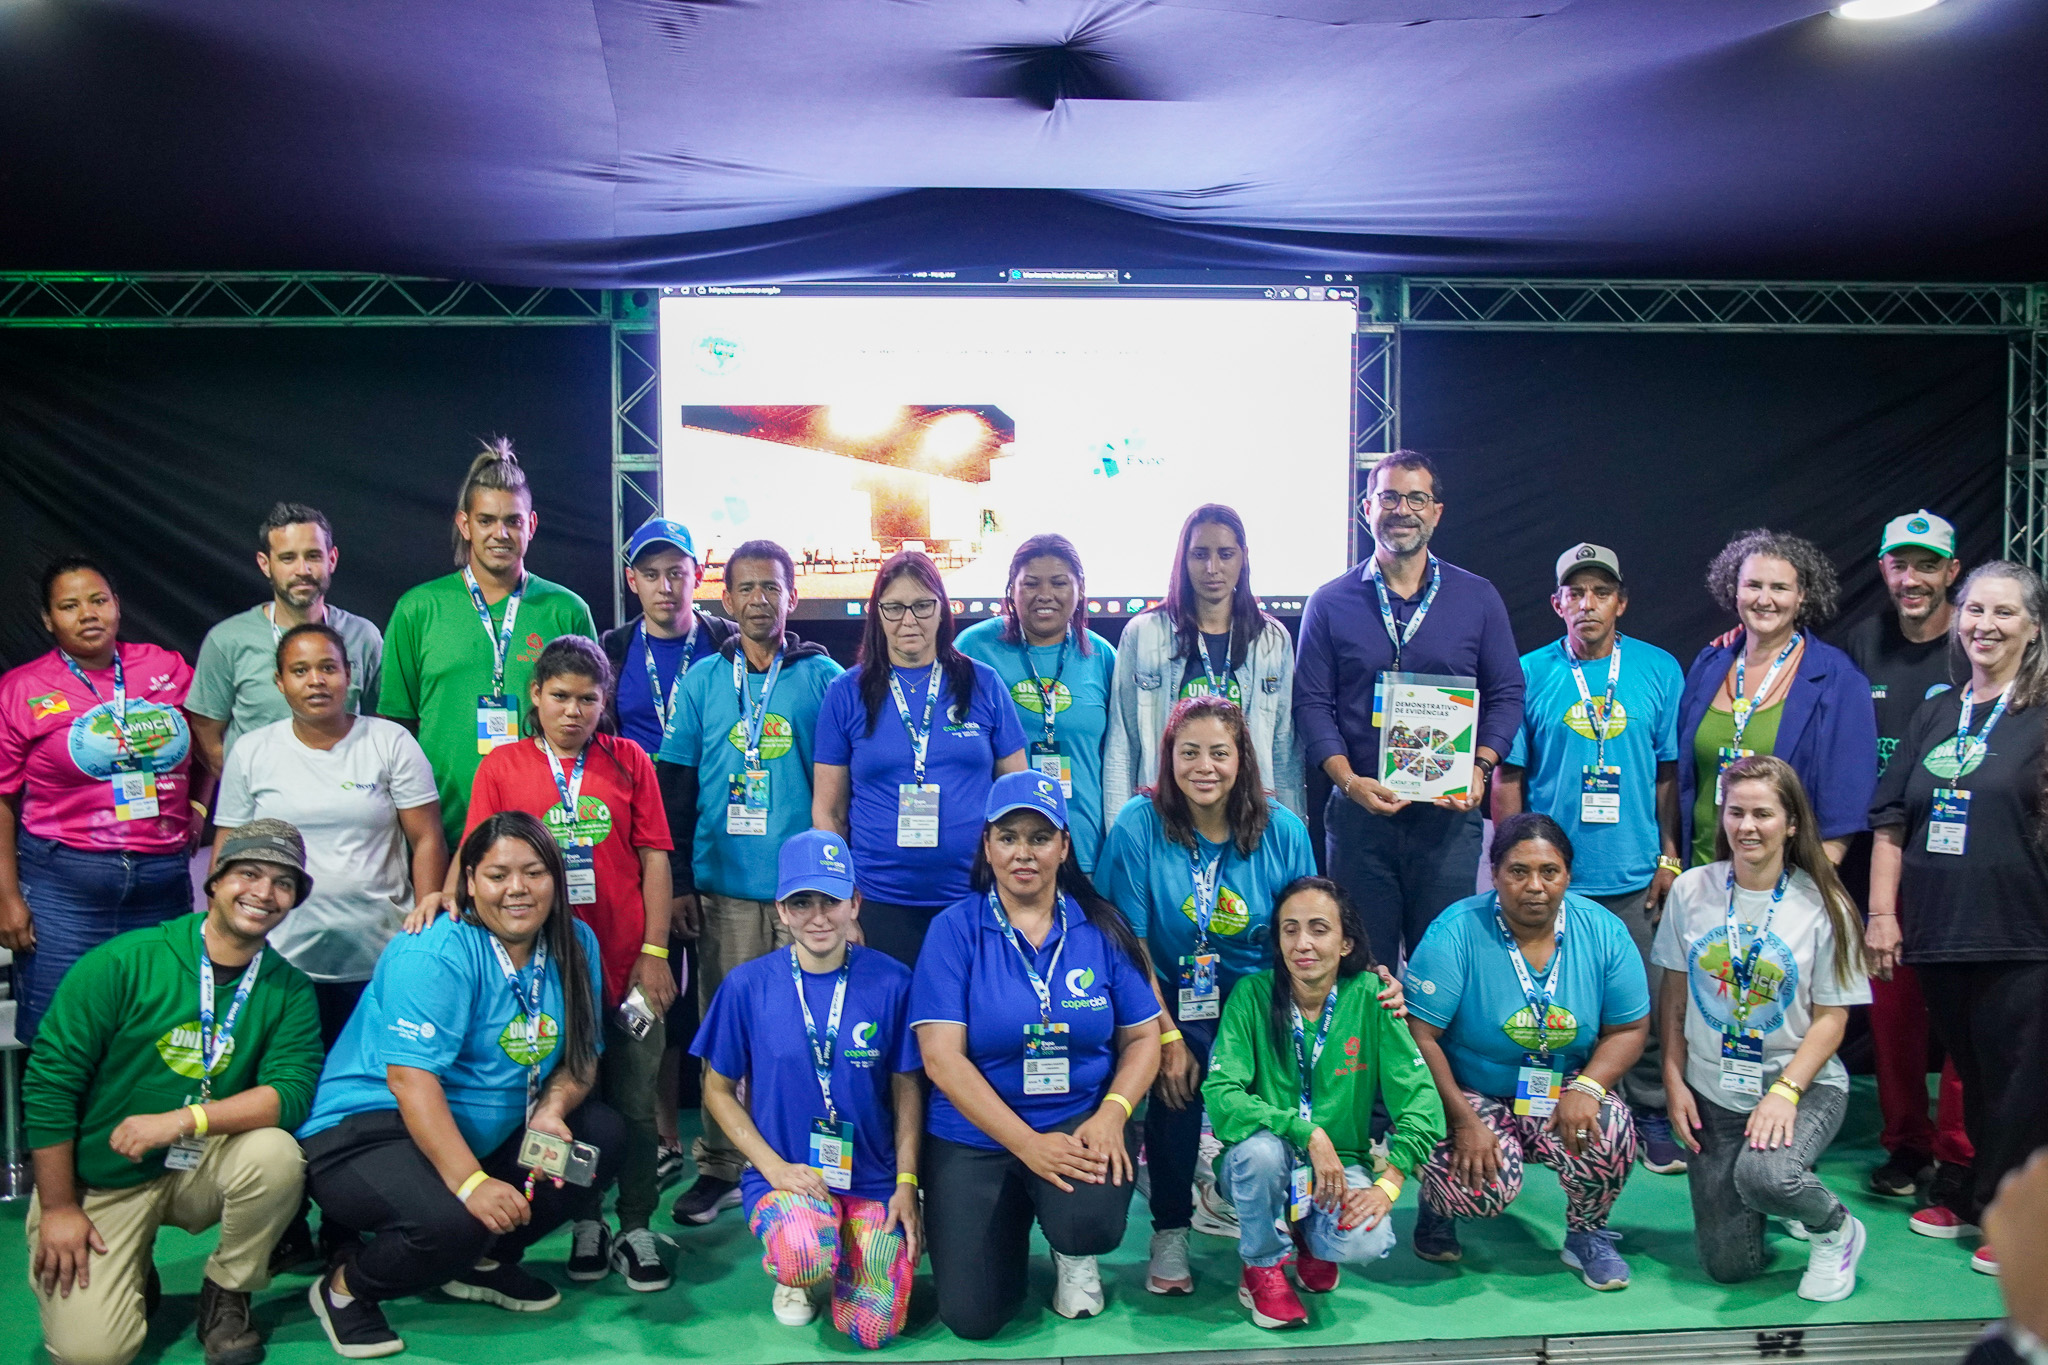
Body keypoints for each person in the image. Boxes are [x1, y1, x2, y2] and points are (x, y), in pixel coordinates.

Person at [299, 812, 622, 1357]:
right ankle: (346, 1289)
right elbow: (410, 1081)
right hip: (372, 1127)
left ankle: (482, 1263)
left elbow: (582, 1058)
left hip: (493, 1127)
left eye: (535, 872)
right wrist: (472, 1184)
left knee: (598, 1140)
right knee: (455, 1222)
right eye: (497, 875)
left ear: (556, 879)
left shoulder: (575, 942)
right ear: (469, 881)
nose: (517, 888)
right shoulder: (435, 948)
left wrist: (552, 1111)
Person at [24, 819, 323, 1365]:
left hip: (196, 1162)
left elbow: (291, 1092)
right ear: (215, 880)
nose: (263, 893)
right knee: (94, 1353)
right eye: (249, 874)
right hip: (103, 1175)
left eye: (283, 883)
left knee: (277, 1154)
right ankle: (130, 1264)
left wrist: (184, 1121)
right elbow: (51, 1084)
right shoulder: (125, 962)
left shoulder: (289, 988)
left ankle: (228, 1291)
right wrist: (60, 1206)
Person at [215, 624, 448, 1272]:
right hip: (281, 965)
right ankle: (285, 1224)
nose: (315, 680)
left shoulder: (389, 742)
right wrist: (225, 938)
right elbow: (228, 851)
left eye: (328, 667)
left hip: (378, 963)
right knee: (282, 1097)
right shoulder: (254, 752)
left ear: (351, 675)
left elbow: (427, 838)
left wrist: (427, 915)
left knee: (360, 1106)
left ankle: (347, 1224)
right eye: (300, 670)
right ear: (278, 681)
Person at [910, 772, 1162, 1338]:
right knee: (973, 1317)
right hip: (974, 1135)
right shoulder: (953, 931)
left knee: (1088, 1225)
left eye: (1040, 837)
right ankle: (1014, 1213)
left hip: (1076, 1121)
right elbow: (942, 1059)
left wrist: (1114, 1112)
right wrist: (1027, 1146)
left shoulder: (1101, 926)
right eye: (1008, 837)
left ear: (1064, 847)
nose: (1023, 853)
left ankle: (1071, 1250)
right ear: (987, 845)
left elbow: (1144, 1038)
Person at [457, 636, 675, 1289]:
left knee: (635, 1099)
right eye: (560, 696)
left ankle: (635, 1221)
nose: (573, 711)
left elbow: (655, 859)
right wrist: (443, 898)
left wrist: (656, 953)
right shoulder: (503, 766)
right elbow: (477, 857)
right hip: (548, 978)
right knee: (576, 1104)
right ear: (535, 695)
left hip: (628, 970)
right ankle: (587, 1219)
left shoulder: (630, 760)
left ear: (604, 701)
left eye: (587, 698)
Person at [1096, 695, 1317, 1294]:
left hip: (1258, 999)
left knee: (1266, 1103)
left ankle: (1266, 1233)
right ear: (1168, 758)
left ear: (1242, 758)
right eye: (1188, 752)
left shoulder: (1283, 830)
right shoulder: (1138, 825)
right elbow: (1131, 945)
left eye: (1219, 753)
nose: (1204, 767)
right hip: (1168, 994)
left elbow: (1305, 931)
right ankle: (1170, 1227)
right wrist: (1165, 1036)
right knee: (1176, 1087)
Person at [1868, 560, 2048, 1275]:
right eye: (1975, 609)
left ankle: (2022, 1221)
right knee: (1970, 1073)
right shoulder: (1938, 711)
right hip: (1939, 928)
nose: (1985, 624)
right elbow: (1891, 820)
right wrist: (1882, 913)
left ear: (2034, 628)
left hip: (2023, 931)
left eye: (2005, 612)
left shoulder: (2043, 711)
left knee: (2019, 1084)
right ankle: (1978, 1198)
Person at [658, 538, 844, 1226]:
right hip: (725, 891)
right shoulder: (703, 680)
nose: (760, 600)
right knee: (727, 1033)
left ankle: (812, 1161)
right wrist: (680, 881)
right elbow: (675, 788)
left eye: (773, 587)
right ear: (725, 598)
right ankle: (719, 1166)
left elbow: (845, 788)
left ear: (793, 596)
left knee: (812, 1033)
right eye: (747, 588)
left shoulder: (824, 678)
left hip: (808, 896)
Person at [1493, 543, 1687, 1175]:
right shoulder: (1528, 672)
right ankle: (1543, 1116)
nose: (1587, 604)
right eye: (1574, 593)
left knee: (1645, 1004)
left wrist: (1669, 854)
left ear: (1620, 602)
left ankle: (1650, 1111)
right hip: (1552, 882)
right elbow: (1509, 776)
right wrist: (1510, 862)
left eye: (1600, 592)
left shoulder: (1659, 669)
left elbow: (1668, 773)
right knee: (1546, 1007)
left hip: (1633, 874)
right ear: (1557, 604)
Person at [690, 831, 922, 1348]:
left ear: (854, 903)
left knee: (872, 1328)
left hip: (873, 1176)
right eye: (802, 903)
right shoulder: (747, 986)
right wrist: (772, 1167)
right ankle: (804, 1263)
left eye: (831, 901)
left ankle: (850, 1248)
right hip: (787, 1178)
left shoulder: (893, 982)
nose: (818, 917)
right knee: (802, 1255)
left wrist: (907, 1182)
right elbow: (717, 1089)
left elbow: (907, 1087)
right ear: (781, 910)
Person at [1402, 812, 1650, 1291]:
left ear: (1568, 876)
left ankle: (1587, 1232)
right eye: (1518, 871)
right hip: (1469, 1092)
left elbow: (1629, 1028)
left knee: (1612, 1128)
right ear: (1495, 874)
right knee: (1481, 1191)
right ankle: (1438, 1204)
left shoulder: (1604, 932)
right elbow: (1419, 1036)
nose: (1535, 886)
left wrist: (1588, 1087)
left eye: (1549, 871)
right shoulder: (1455, 931)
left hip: (1560, 1089)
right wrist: (1463, 1121)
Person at [1655, 755, 1872, 1300]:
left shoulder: (1826, 904)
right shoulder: (1691, 890)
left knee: (1766, 1177)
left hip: (1801, 1084)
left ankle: (1835, 1229)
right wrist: (1674, 1080)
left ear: (1791, 823)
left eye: (1763, 814)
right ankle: (1776, 1192)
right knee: (1729, 1267)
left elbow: (1832, 1019)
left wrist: (1785, 1092)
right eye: (1736, 812)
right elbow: (1675, 997)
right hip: (1714, 1091)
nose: (1747, 827)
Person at [1295, 452, 1524, 966]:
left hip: (1447, 824)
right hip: (1359, 818)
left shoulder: (1478, 598)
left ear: (1436, 512)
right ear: (1366, 508)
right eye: (1390, 497)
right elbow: (1311, 704)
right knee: (1361, 970)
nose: (1403, 510)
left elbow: (1508, 693)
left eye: (1417, 498)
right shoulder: (1328, 603)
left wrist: (1481, 767)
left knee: (1442, 972)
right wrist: (1348, 781)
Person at [1202, 877, 1446, 1329]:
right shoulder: (1252, 995)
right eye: (1290, 929)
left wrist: (1390, 1181)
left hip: (1341, 1165)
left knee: (1367, 1239)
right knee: (1261, 1154)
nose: (1303, 944)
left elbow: (1420, 1098)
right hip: (1265, 1159)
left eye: (1319, 929)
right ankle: (1262, 1265)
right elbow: (1221, 1095)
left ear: (1346, 942)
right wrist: (1307, 1132)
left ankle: (1309, 1239)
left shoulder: (1372, 997)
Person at [0, 556, 208, 1043]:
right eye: (69, 606)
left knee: (160, 1032)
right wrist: (6, 897)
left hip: (161, 884)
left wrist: (199, 807)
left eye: (98, 600)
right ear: (48, 619)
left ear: (117, 605)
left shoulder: (167, 668)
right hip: (63, 888)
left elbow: (211, 745)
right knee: (61, 1037)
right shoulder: (22, 689)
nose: (87, 614)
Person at [1834, 510, 1971, 1201]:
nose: (1912, 579)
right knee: (1892, 1018)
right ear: (1884, 569)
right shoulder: (1864, 641)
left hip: (1961, 863)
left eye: (1927, 565)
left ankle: (1961, 1153)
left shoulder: (1975, 640)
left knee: (1965, 1019)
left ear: (1952, 571)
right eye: (1900, 564)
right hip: (1879, 860)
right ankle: (1907, 1144)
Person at [813, 551, 1028, 967]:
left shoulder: (982, 683)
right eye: (894, 607)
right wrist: (842, 905)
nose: (908, 620)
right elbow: (829, 812)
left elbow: (1017, 799)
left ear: (942, 609)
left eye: (922, 606)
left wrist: (1015, 895)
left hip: (973, 898)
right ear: (877, 613)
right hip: (877, 902)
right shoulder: (846, 692)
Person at [380, 440, 599, 845]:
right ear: (465, 524)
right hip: (442, 832)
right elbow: (396, 728)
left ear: (532, 525)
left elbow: (592, 716)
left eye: (513, 521)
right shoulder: (418, 609)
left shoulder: (566, 610)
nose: (501, 534)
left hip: (547, 831)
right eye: (486, 520)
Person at [1677, 528, 1876, 869]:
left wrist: (1809, 885)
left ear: (1801, 596)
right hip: (1701, 874)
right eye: (1753, 585)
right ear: (1735, 590)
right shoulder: (1709, 664)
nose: (1764, 599)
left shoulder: (1838, 679)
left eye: (1779, 588)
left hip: (1785, 880)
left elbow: (1847, 804)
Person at [1104, 504, 1304, 820]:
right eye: (1200, 555)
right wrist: (1120, 831)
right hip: (1164, 817)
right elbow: (1122, 744)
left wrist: (1291, 832)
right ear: (1183, 559)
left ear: (1243, 557)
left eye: (1225, 554)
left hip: (1247, 818)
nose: (1212, 568)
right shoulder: (1143, 634)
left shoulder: (1272, 639)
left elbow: (1284, 750)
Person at [958, 534, 1118, 871]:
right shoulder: (974, 649)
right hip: (1005, 855)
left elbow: (1118, 757)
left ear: (1080, 588)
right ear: (1011, 589)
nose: (1045, 594)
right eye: (1031, 583)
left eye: (1059, 583)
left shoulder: (1102, 656)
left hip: (1085, 850)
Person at [189, 503, 385, 774]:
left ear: (331, 559)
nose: (302, 570)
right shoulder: (227, 640)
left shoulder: (363, 636)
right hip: (259, 797)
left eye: (313, 556)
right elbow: (206, 733)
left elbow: (383, 719)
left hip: (345, 789)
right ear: (265, 564)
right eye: (288, 558)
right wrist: (243, 785)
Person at [600, 516, 734, 754]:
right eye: (651, 575)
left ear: (698, 576)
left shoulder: (729, 641)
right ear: (632, 580)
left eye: (675, 573)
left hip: (710, 778)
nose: (665, 587)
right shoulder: (611, 649)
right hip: (634, 778)